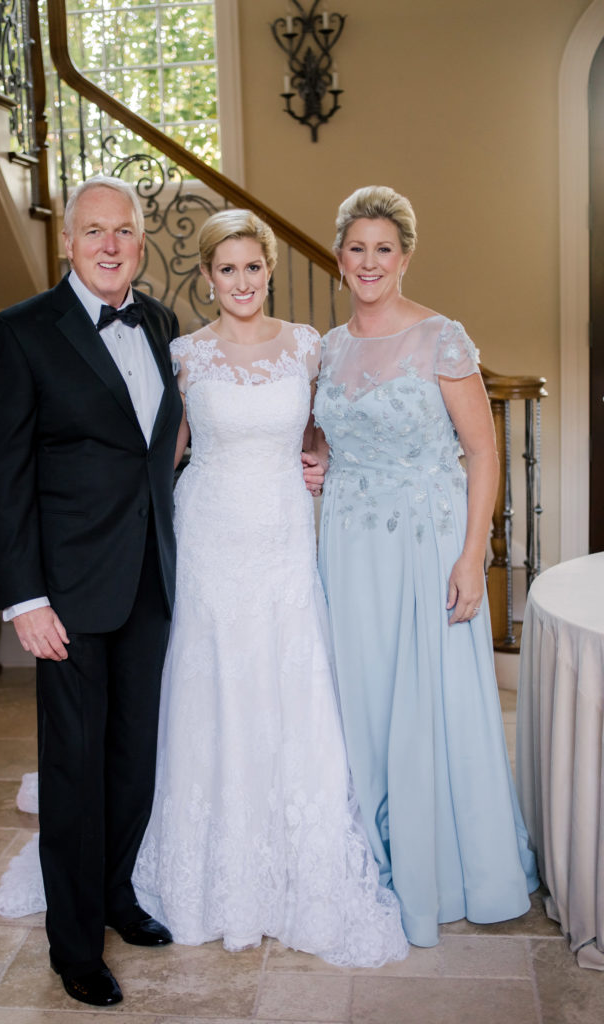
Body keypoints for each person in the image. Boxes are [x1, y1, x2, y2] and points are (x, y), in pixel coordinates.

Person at [130, 209, 408, 966]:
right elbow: (166, 456)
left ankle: (297, 868)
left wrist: (321, 464)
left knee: (288, 684)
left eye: (253, 268)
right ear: (208, 277)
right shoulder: (185, 354)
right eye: (228, 270)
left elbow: (323, 437)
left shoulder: (309, 348)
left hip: (285, 536)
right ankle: (202, 870)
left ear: (270, 271)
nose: (242, 282)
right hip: (212, 538)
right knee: (210, 687)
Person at [0, 176, 183, 1007]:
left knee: (134, 759)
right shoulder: (20, 333)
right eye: (91, 231)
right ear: (66, 243)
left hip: (150, 581)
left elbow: (155, 453)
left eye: (122, 231)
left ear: (140, 242)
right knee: (74, 768)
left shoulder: (161, 322)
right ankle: (74, 945)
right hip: (64, 595)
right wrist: (24, 600)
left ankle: (118, 897)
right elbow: (2, 478)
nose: (108, 244)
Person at [311, 185, 539, 948]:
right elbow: (327, 439)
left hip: (423, 545)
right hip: (347, 546)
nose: (369, 262)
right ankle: (372, 854)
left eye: (384, 249)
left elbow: (482, 451)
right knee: (362, 697)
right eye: (356, 248)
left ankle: (440, 864)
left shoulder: (441, 338)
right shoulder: (330, 347)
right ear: (339, 258)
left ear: (404, 258)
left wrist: (473, 557)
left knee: (427, 697)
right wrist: (314, 460)